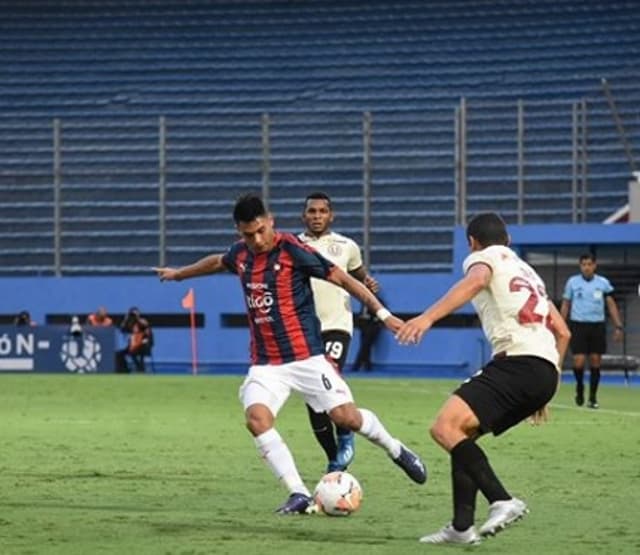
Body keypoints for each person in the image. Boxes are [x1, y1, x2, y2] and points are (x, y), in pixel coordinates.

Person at [154, 193, 426, 515]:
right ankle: (298, 493)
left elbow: (342, 277)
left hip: (307, 358)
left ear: (270, 222)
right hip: (266, 364)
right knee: (257, 419)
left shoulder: (293, 251)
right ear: (239, 232)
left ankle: (396, 449)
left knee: (346, 418)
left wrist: (383, 315)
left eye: (259, 231)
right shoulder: (240, 254)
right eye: (247, 234)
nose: (255, 240)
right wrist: (179, 274)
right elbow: (216, 261)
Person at [396, 212, 570, 545]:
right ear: (509, 241)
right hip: (543, 370)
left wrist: (427, 318)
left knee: (444, 427)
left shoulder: (484, 258)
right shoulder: (528, 271)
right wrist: (549, 387)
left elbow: (476, 280)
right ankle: (462, 527)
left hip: (517, 361)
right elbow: (563, 331)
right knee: (462, 435)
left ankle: (502, 500)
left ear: (473, 242)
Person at [298, 191, 379, 473]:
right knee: (313, 400)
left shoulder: (347, 246)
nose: (317, 216)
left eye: (322, 211)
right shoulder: (294, 246)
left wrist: (367, 282)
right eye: (312, 211)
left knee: (328, 379)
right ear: (304, 215)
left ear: (331, 215)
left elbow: (358, 274)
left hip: (337, 326)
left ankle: (345, 433)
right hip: (304, 331)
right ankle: (334, 460)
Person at [560, 253, 624, 409]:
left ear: (594, 266)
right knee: (579, 361)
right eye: (584, 264)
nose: (587, 267)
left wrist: (618, 326)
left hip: (597, 325)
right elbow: (566, 304)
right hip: (578, 325)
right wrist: (561, 324)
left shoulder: (603, 283)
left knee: (595, 361)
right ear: (580, 266)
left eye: (589, 264)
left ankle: (593, 397)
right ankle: (580, 386)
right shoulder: (573, 283)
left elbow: (610, 304)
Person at [116, 307, 153, 373]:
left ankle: (140, 369)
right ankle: (125, 370)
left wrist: (138, 319)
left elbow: (146, 327)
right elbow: (122, 329)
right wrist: (126, 317)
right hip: (133, 346)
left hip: (143, 345)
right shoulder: (130, 323)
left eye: (135, 313)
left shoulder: (142, 321)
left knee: (134, 352)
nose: (134, 316)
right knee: (119, 354)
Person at [352, 297, 385, 372]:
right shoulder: (364, 300)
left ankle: (357, 365)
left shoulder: (377, 301)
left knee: (365, 346)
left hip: (372, 326)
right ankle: (367, 365)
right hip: (364, 326)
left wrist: (375, 321)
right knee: (365, 346)